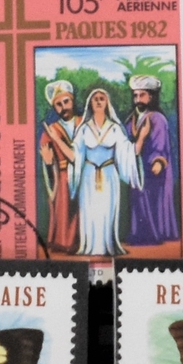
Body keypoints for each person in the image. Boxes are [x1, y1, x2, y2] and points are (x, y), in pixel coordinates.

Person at [69, 87, 142, 257]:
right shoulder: (84, 129)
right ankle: (89, 247)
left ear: (107, 102)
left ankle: (108, 246)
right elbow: (75, 154)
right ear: (90, 104)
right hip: (89, 176)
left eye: (102, 98)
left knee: (107, 211)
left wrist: (142, 137)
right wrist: (57, 140)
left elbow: (128, 152)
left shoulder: (115, 128)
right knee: (90, 210)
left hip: (109, 175)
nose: (98, 101)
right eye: (95, 99)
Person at [125, 76, 178, 249]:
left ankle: (153, 235)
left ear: (151, 97)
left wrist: (158, 161)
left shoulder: (157, 119)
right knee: (138, 200)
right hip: (136, 168)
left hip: (153, 169)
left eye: (142, 95)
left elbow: (160, 144)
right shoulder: (131, 120)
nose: (138, 100)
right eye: (135, 95)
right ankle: (139, 234)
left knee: (153, 200)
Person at [38, 80, 79, 255]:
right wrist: (48, 162)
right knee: (64, 208)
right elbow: (46, 154)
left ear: (72, 101)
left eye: (66, 102)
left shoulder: (84, 123)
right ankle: (64, 243)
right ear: (54, 107)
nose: (63, 107)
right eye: (59, 104)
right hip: (62, 176)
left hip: (84, 174)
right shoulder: (51, 130)